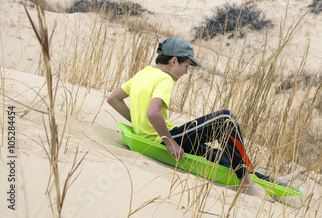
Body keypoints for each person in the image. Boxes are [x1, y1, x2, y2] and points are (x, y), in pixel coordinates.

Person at [107, 37, 300, 201]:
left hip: (155, 136)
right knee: (226, 118)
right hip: (163, 139)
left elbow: (113, 99)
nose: (186, 72)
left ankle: (271, 179)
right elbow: (153, 112)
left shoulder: (144, 73)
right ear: (174, 61)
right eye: (186, 65)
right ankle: (245, 183)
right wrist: (170, 142)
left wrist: (139, 122)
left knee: (219, 156)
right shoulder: (164, 79)